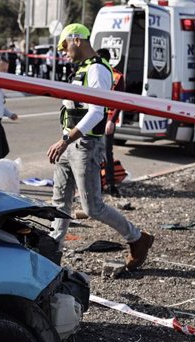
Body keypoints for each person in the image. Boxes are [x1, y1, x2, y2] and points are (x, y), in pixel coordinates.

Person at [46, 24, 153, 271]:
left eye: (64, 45)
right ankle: (52, 255)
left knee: (92, 207)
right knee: (59, 203)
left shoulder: (97, 69)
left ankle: (138, 238)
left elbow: (96, 113)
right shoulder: (81, 69)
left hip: (84, 145)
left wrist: (65, 140)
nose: (63, 51)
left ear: (76, 40)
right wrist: (64, 140)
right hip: (69, 143)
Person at [96, 48, 127, 196]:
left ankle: (110, 184)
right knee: (94, 152)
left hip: (107, 119)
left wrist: (112, 121)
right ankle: (98, 184)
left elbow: (120, 101)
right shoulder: (94, 74)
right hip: (95, 118)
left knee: (107, 154)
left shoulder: (117, 76)